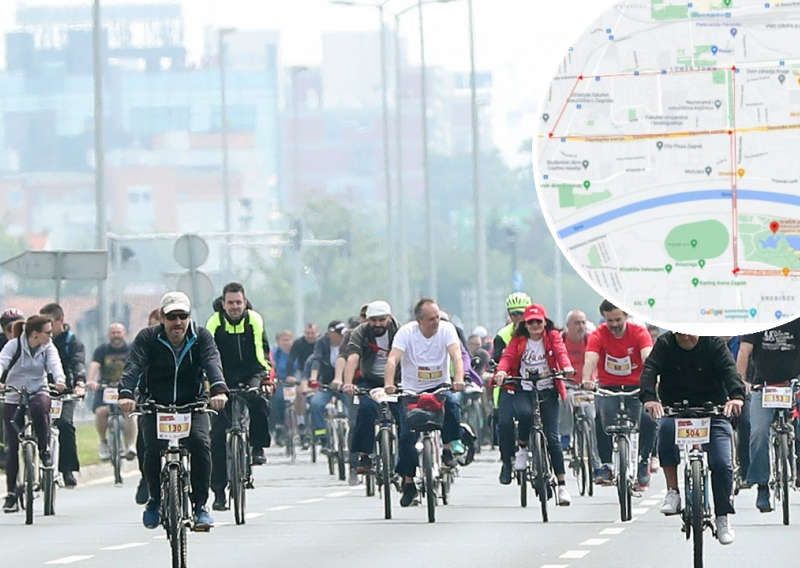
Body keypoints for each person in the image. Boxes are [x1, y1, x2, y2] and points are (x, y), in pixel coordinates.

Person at [118, 292, 229, 530]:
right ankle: (155, 500)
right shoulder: (148, 338)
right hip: (155, 403)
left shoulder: (201, 337)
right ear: (162, 318)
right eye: (171, 317)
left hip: (193, 403)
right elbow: (133, 366)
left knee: (200, 444)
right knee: (152, 447)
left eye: (183, 316)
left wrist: (219, 391)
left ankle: (200, 506)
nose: (177, 322)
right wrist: (127, 394)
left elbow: (212, 362)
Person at [641, 332, 744, 545]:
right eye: (681, 333)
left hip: (713, 411)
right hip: (676, 410)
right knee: (665, 431)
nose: (687, 337)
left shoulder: (714, 343)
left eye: (691, 332)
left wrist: (736, 397)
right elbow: (649, 370)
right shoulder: (665, 343)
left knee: (721, 462)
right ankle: (673, 492)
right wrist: (650, 399)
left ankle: (723, 517)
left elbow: (729, 370)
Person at [384, 298, 465, 507]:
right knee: (405, 436)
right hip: (412, 390)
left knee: (453, 404)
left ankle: (448, 449)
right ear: (419, 321)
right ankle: (409, 482)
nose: (436, 322)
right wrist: (389, 384)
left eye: (437, 317)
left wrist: (458, 380)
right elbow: (393, 359)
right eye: (431, 319)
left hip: (440, 387)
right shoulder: (406, 333)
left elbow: (456, 356)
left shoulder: (447, 330)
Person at [493, 304, 574, 505]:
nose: (535, 325)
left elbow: (560, 352)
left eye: (539, 321)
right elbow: (508, 357)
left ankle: (562, 485)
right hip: (524, 389)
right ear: (525, 324)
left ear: (545, 322)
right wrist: (502, 372)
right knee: (525, 415)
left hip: (547, 390)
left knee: (553, 437)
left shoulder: (552, 336)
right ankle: (522, 448)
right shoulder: (518, 340)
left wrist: (566, 367)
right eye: (531, 322)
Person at [205, 282, 272, 511]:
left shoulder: (254, 319)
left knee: (259, 402)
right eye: (230, 303)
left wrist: (265, 378)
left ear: (245, 303)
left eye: (238, 302)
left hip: (251, 371)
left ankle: (257, 447)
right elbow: (207, 355)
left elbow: (260, 349)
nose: (234, 307)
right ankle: (218, 492)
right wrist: (209, 384)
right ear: (223, 304)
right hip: (221, 376)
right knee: (216, 437)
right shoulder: (214, 322)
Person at [581, 300, 656, 491]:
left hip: (636, 386)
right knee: (601, 419)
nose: (614, 325)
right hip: (609, 386)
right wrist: (586, 378)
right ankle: (606, 464)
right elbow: (591, 357)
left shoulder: (639, 333)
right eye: (610, 321)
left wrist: (653, 379)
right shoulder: (599, 334)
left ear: (626, 316)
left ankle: (643, 461)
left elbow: (648, 355)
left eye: (618, 319)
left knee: (648, 418)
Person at [0, 315, 66, 512]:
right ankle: (11, 493)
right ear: (35, 334)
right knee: (12, 446)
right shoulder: (13, 346)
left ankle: (44, 449)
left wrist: (60, 380)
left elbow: (55, 364)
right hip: (14, 394)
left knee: (40, 408)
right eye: (47, 333)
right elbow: (2, 362)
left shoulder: (48, 348)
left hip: (38, 390)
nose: (50, 335)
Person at [736, 319, 800, 512]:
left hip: (793, 385)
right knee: (759, 433)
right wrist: (741, 382)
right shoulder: (757, 321)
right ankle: (762, 486)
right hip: (763, 387)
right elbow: (744, 352)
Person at [342, 301, 400, 474]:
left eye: (382, 320)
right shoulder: (361, 332)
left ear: (389, 318)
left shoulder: (400, 331)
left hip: (397, 381)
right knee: (366, 410)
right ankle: (365, 455)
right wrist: (348, 382)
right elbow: (352, 357)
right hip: (370, 380)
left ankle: (406, 455)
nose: (377, 324)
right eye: (373, 320)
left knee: (403, 415)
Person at [40, 303, 86, 489]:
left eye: (50, 322)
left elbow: (78, 362)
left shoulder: (71, 341)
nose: (47, 328)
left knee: (65, 424)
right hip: (41, 389)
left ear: (61, 320)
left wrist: (79, 384)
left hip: (64, 392)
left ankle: (67, 469)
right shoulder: (38, 339)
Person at [561, 309, 604, 481]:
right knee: (565, 398)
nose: (581, 327)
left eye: (583, 323)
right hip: (567, 383)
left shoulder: (590, 340)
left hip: (587, 385)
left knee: (591, 418)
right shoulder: (561, 340)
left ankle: (596, 464)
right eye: (577, 323)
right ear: (568, 326)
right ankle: (565, 434)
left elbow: (597, 361)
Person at [306, 320, 347, 451]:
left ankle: (351, 436)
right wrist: (313, 378)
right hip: (327, 382)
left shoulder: (348, 341)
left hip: (346, 383)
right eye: (338, 333)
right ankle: (322, 437)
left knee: (354, 408)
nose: (341, 336)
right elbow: (316, 360)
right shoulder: (322, 342)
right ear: (330, 333)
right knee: (316, 403)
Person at [0, 308, 25, 470]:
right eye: (8, 329)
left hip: (29, 389)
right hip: (6, 390)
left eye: (17, 327)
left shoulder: (33, 341)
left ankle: (44, 447)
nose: (12, 332)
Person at [492, 292, 533, 364]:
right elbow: (497, 360)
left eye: (521, 313)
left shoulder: (538, 330)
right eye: (515, 314)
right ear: (509, 315)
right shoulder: (502, 335)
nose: (519, 317)